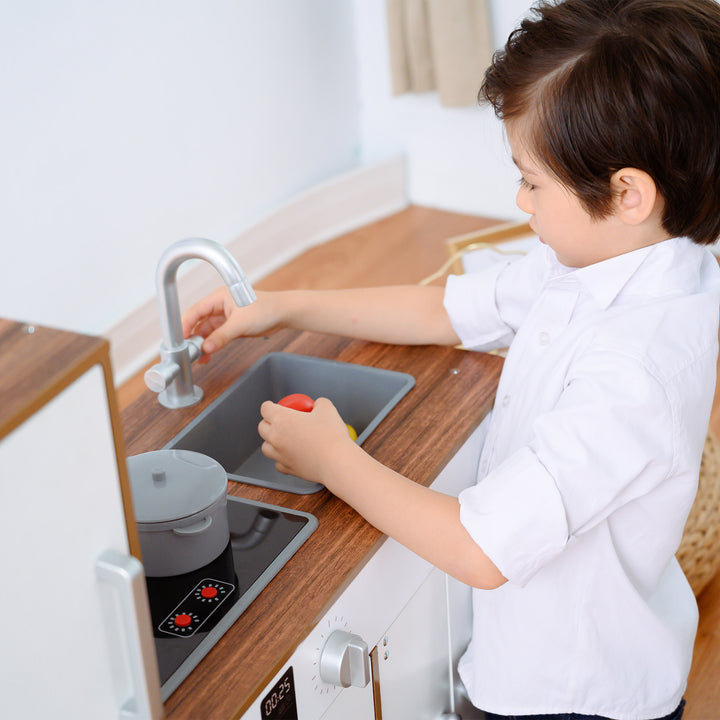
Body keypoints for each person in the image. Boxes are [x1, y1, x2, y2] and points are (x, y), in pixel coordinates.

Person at [181, 1, 720, 717]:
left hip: (570, 694)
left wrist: (334, 463)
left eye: (532, 180)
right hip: (546, 653)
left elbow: (481, 552)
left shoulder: (635, 374)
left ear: (626, 193)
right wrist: (283, 304)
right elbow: (448, 309)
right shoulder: (614, 255)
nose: (519, 200)